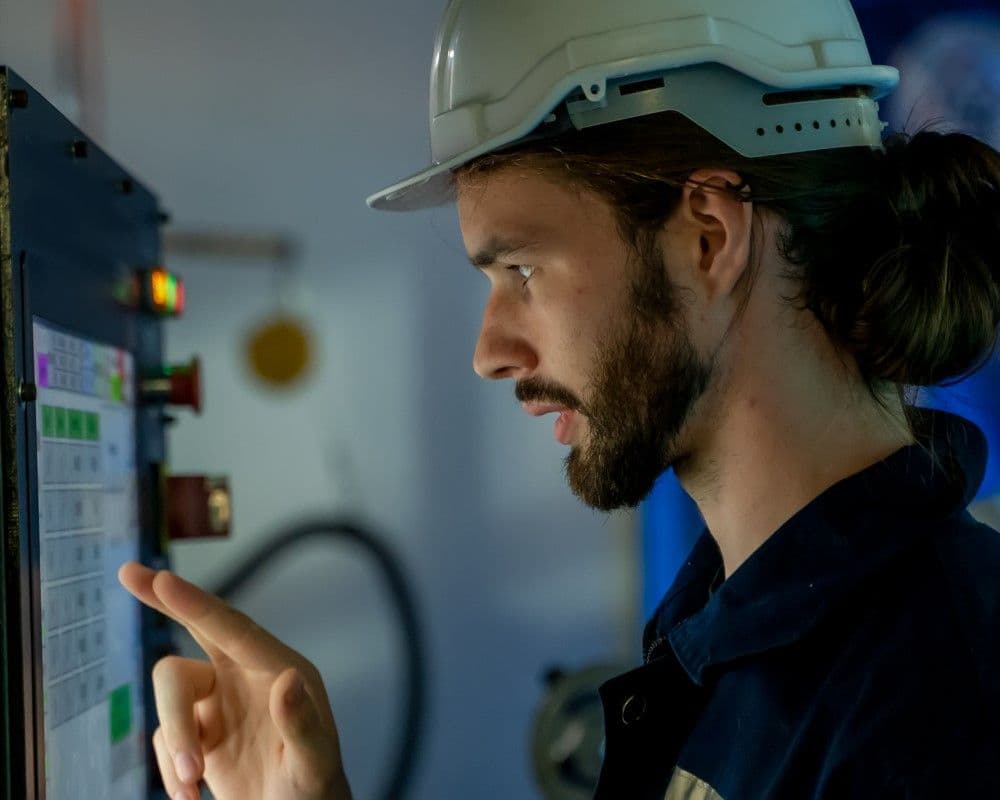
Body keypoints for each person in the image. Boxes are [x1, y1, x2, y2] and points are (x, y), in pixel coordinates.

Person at [119, 0, 1000, 797]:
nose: (489, 354)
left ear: (708, 238)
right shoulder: (726, 628)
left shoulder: (944, 699)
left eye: (523, 270)